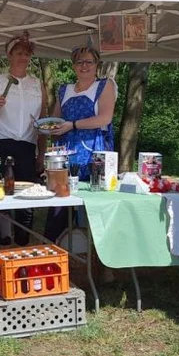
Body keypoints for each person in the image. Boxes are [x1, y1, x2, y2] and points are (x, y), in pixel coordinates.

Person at [0, 32, 47, 245]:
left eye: (26, 54)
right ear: (9, 55)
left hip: (26, 145)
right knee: (0, 194)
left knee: (26, 195)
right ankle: (3, 240)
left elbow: (43, 122)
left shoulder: (37, 84)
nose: (22, 57)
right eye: (18, 53)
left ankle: (23, 242)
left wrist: (42, 153)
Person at [44, 45, 117, 241]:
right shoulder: (64, 90)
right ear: (73, 66)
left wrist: (73, 125)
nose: (84, 66)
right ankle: (54, 251)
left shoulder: (104, 85)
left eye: (89, 61)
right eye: (79, 62)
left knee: (92, 205)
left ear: (97, 65)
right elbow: (56, 121)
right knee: (58, 207)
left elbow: (104, 118)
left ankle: (97, 257)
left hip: (93, 153)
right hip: (65, 155)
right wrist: (48, 128)